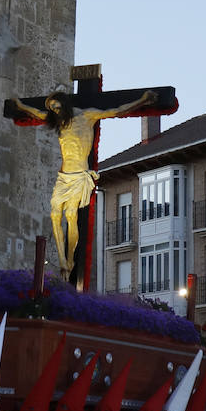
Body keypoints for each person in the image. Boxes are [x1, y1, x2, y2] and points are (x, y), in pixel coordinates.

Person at [11, 89, 158, 279]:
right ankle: (63, 261)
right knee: (55, 214)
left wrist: (143, 100)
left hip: (79, 175)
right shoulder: (59, 122)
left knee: (71, 215)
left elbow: (117, 110)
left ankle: (70, 260)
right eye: (52, 109)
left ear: (64, 104)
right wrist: (20, 105)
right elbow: (36, 113)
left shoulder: (88, 116)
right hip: (64, 176)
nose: (55, 111)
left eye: (56, 107)